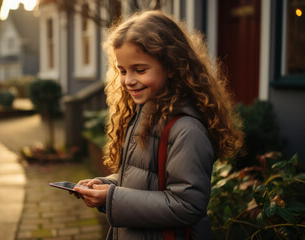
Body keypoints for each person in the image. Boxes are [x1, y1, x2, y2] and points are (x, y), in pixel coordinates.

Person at [72, 10, 244, 240]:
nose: (128, 80)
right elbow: (144, 180)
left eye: (140, 70)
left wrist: (112, 198)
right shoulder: (142, 113)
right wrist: (106, 185)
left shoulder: (186, 130)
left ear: (171, 66)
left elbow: (187, 205)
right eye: (122, 71)